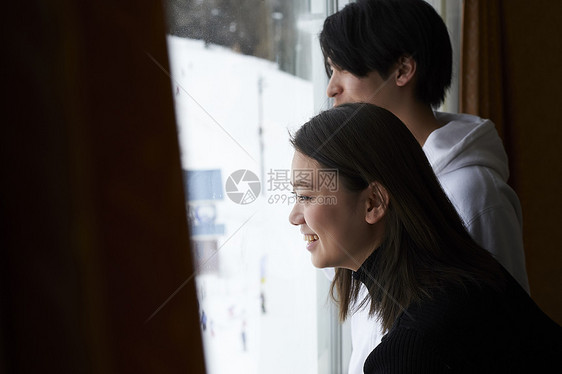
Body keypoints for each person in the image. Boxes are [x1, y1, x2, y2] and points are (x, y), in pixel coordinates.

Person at [318, 1, 529, 372]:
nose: (331, 88)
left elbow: (507, 342)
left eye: (342, 68)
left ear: (402, 70)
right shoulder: (375, 183)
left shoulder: (472, 193)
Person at [288, 103, 561, 373]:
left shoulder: (415, 348)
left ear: (373, 203)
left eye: (306, 197)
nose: (294, 216)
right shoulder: (473, 277)